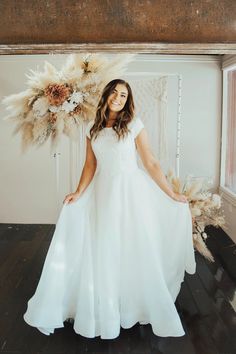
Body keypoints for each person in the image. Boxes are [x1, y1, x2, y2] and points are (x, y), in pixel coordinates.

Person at [23, 78, 196, 339]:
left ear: (128, 101)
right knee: (104, 244)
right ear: (107, 95)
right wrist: (79, 192)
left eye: (124, 95)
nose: (118, 98)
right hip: (103, 191)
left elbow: (150, 162)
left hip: (130, 191)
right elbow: (90, 165)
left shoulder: (134, 125)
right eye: (115, 92)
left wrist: (171, 193)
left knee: (132, 243)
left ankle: (133, 302)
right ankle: (106, 301)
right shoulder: (93, 130)